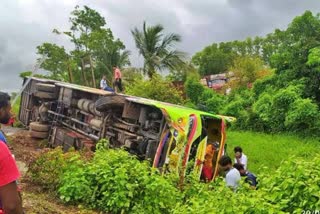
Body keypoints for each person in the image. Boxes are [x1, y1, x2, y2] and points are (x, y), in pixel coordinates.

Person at [0, 92, 23, 213]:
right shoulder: (0, 146)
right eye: (8, 110)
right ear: (1, 111)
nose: (10, 114)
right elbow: (11, 205)